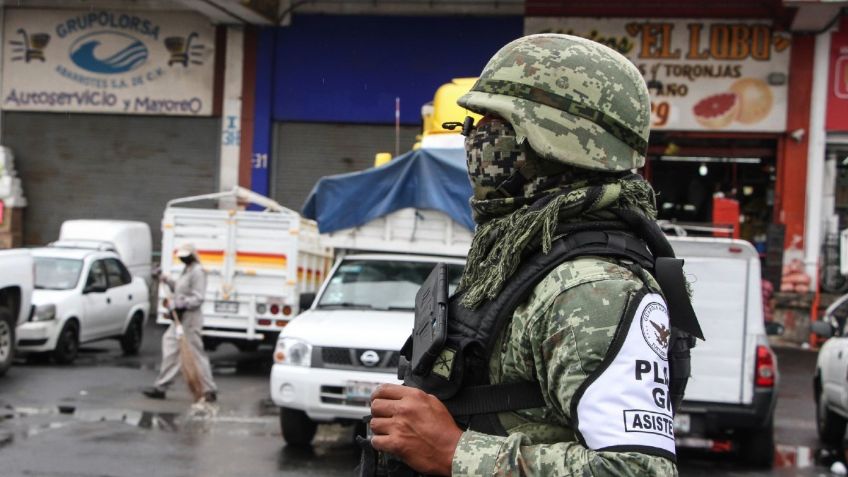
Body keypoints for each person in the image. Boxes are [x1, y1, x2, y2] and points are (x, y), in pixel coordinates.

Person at [366, 34, 692, 476]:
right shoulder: (528, 250)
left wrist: (453, 451)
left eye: (490, 124)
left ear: (554, 139)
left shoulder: (592, 287)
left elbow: (636, 469)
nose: (472, 138)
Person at [142, 243, 218, 402]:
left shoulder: (198, 272)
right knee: (170, 347)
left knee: (195, 353)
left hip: (190, 318)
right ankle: (162, 385)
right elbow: (179, 288)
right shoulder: (187, 271)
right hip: (180, 318)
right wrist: (164, 278)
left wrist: (181, 303)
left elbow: (198, 298)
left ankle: (208, 389)